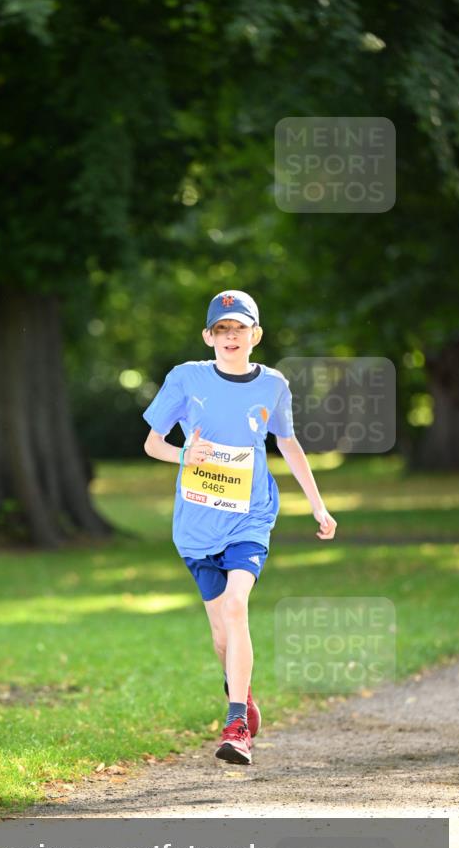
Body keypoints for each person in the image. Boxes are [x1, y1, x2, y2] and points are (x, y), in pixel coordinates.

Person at [142, 289, 337, 765]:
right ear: (209, 336)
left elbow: (288, 444)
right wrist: (186, 452)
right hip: (196, 521)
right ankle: (243, 695)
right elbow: (152, 444)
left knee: (236, 605)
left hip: (250, 515)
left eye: (240, 328)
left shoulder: (272, 385)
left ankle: (235, 728)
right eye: (222, 330)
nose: (231, 337)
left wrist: (318, 505)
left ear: (256, 334)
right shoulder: (186, 378)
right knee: (221, 635)